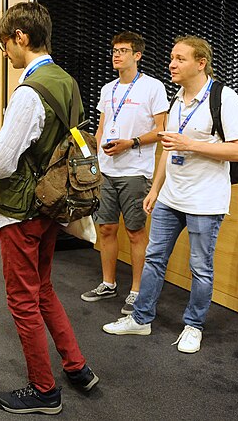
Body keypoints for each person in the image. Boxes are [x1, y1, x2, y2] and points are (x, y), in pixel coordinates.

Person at [0, 2, 98, 416]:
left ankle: (44, 390)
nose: (5, 53)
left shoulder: (29, 91)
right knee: (45, 288)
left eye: (4, 44)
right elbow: (47, 138)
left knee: (22, 300)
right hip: (54, 205)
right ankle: (77, 367)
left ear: (20, 37)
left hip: (22, 211)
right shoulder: (65, 81)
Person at [102, 36, 238, 353]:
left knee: (201, 268)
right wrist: (156, 189)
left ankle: (193, 326)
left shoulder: (225, 98)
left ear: (200, 63)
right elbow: (168, 150)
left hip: (205, 201)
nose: (172, 63)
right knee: (154, 260)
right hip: (171, 196)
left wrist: (190, 145)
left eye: (180, 58)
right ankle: (140, 320)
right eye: (171, 57)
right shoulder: (178, 100)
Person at [81, 32, 168, 315]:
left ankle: (136, 291)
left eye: (123, 50)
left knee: (134, 231)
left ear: (137, 55)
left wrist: (131, 143)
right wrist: (93, 161)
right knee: (105, 228)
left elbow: (160, 131)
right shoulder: (108, 89)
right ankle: (108, 283)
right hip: (106, 170)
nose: (116, 55)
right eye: (114, 50)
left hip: (135, 171)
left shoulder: (153, 88)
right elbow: (102, 128)